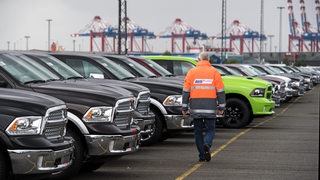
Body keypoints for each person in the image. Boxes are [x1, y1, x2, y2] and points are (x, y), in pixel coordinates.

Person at [182, 52, 225, 162]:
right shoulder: (214, 72)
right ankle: (207, 144)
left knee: (198, 132)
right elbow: (220, 92)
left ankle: (202, 155)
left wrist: (184, 107)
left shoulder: (191, 72)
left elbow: (186, 91)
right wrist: (221, 107)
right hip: (210, 107)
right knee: (210, 130)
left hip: (195, 107)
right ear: (209, 60)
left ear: (198, 59)